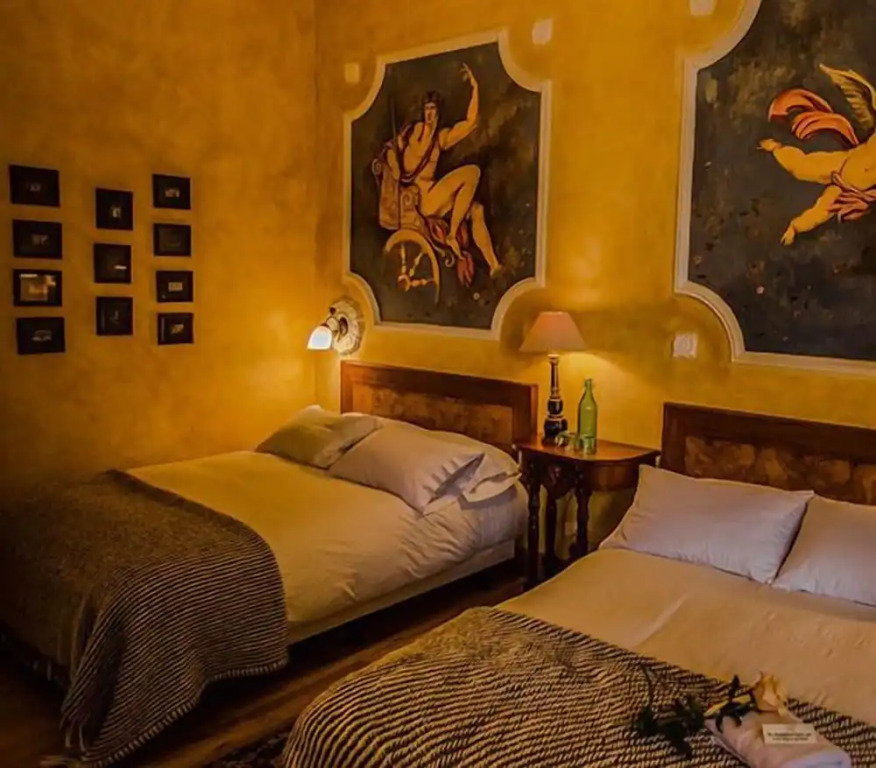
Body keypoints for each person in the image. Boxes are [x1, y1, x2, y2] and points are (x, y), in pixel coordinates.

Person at [383, 65, 501, 276]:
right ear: (423, 111)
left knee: (477, 209)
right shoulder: (413, 132)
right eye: (427, 108)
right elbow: (390, 150)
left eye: (433, 109)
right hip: (423, 200)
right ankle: (452, 234)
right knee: (473, 172)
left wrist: (475, 87)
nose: (429, 113)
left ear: (438, 112)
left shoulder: (440, 139)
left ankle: (494, 266)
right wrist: (395, 167)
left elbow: (470, 122)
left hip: (437, 196)